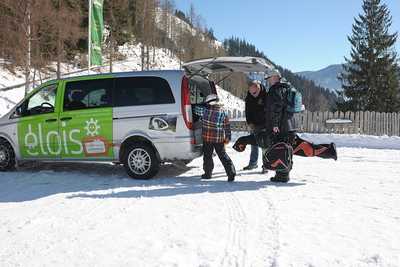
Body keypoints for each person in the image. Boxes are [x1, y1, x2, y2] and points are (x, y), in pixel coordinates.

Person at [193, 94, 236, 182]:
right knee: (223, 155)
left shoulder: (204, 111)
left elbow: (194, 109)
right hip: (219, 139)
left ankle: (208, 174)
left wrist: (202, 104)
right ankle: (231, 172)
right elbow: (227, 126)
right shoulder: (223, 112)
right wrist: (228, 136)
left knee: (207, 156)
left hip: (207, 138)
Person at [264, 69, 295, 183]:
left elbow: (276, 107)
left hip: (280, 126)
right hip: (289, 125)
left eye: (269, 78)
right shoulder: (287, 88)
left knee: (280, 149)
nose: (268, 81)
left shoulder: (276, 90)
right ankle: (283, 174)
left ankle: (282, 176)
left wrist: (275, 124)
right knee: (286, 149)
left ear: (275, 77)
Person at [242, 80, 268, 174]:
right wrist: (249, 122)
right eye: (251, 92)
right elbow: (247, 111)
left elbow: (269, 112)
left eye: (254, 92)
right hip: (254, 124)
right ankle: (253, 163)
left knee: (264, 146)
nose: (253, 94)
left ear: (258, 87)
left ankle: (266, 165)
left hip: (264, 124)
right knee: (253, 145)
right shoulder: (249, 97)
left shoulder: (266, 96)